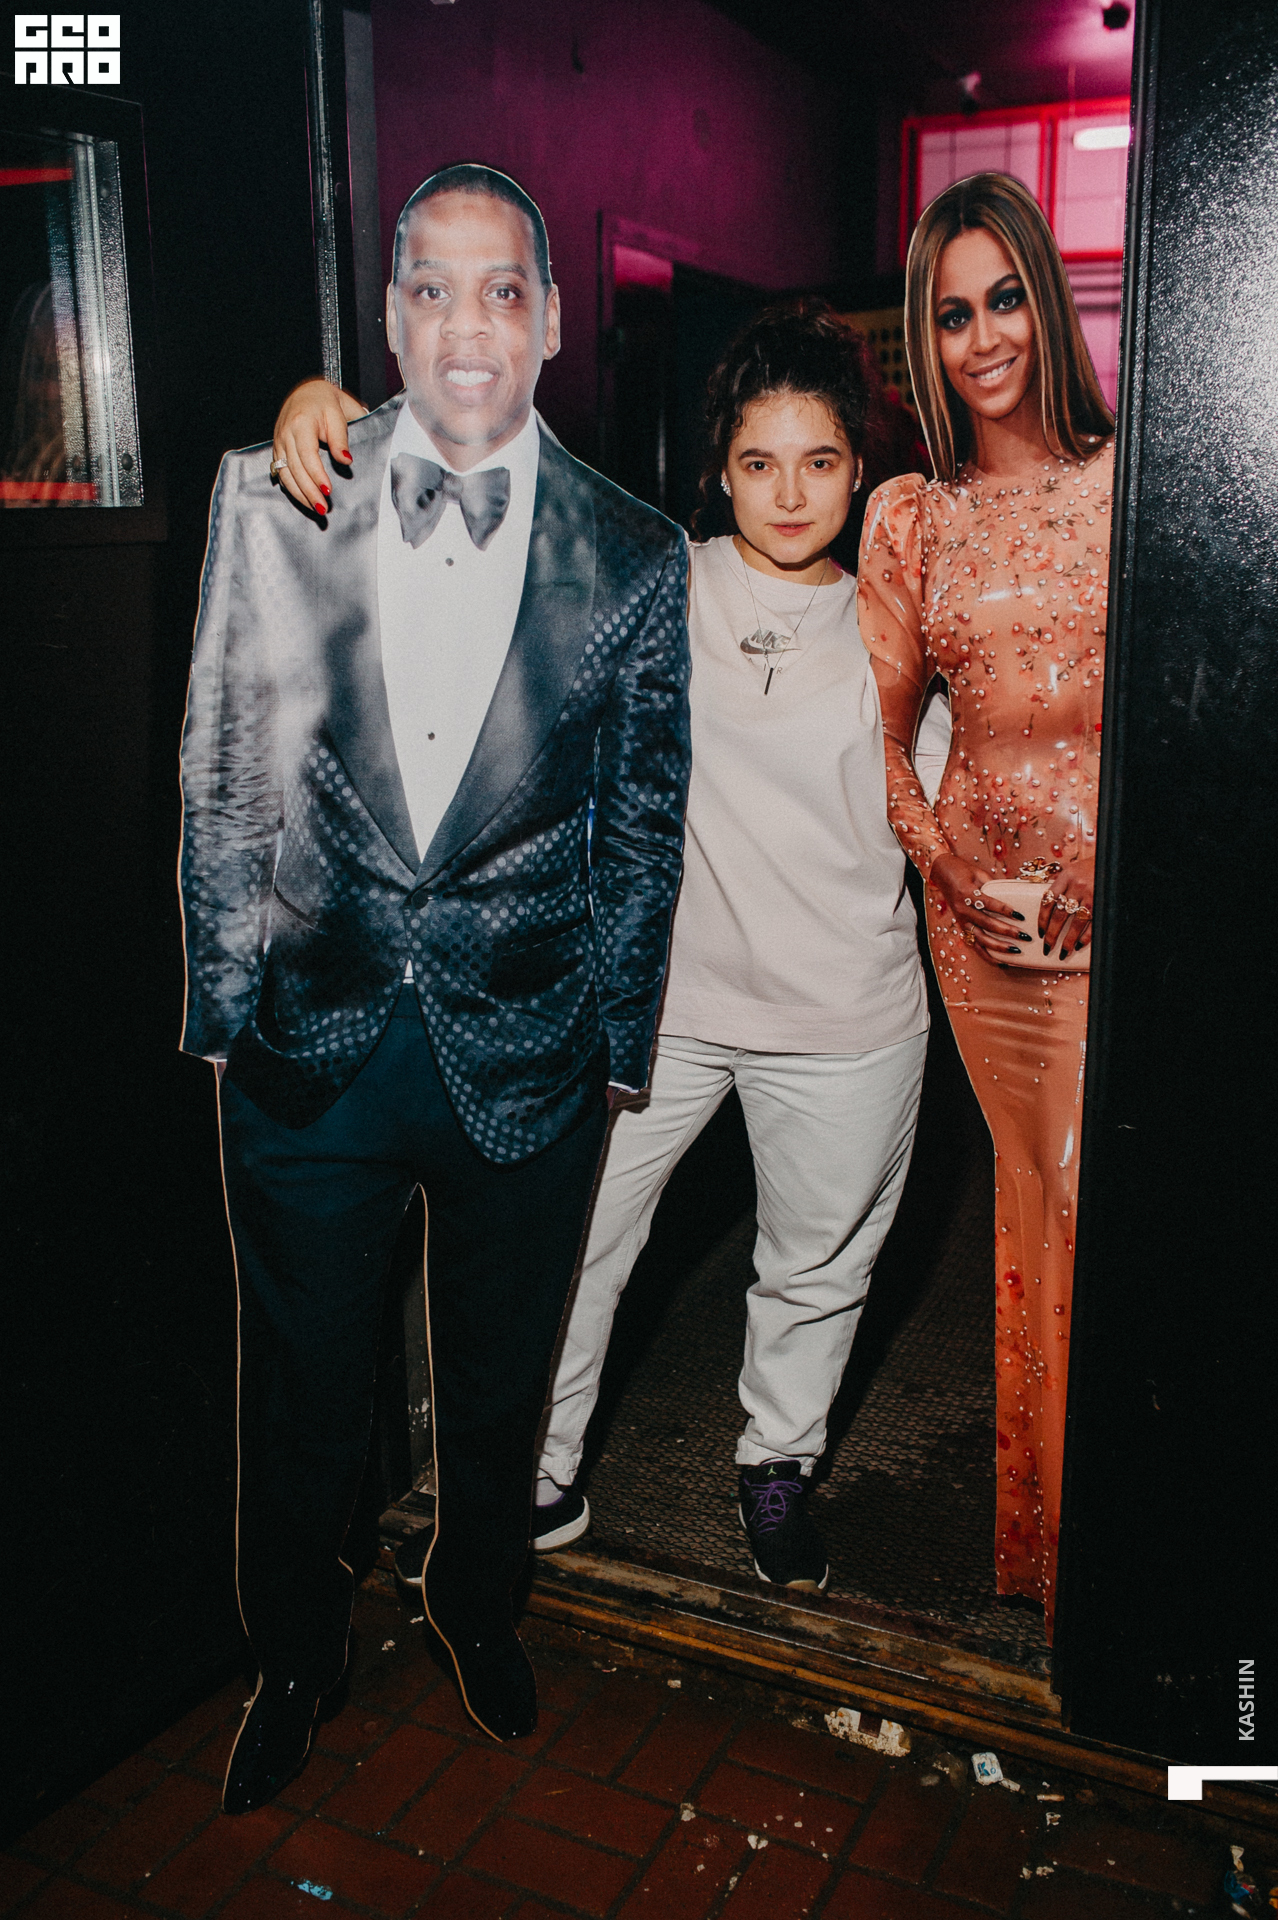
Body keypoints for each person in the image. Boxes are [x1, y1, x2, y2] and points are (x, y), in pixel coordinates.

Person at [278, 300, 938, 1595]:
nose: (788, 492)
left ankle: (777, 1466)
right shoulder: (660, 578)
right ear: (719, 471)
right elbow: (481, 522)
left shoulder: (898, 621)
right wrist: (337, 410)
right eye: (758, 461)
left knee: (814, 1266)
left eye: (817, 461)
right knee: (571, 1242)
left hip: (848, 1015)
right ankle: (536, 1472)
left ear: (856, 469)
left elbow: (963, 800)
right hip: (665, 1005)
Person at [179, 163, 691, 1814]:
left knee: (495, 1380)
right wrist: (220, 1013)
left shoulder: (638, 553)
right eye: (431, 288)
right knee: (301, 1395)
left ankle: (475, 1605)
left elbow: (643, 823)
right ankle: (294, 1653)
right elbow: (224, 770)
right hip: (306, 1050)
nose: (468, 324)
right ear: (390, 316)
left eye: (502, 289)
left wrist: (617, 1046)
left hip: (528, 1054)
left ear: (550, 320)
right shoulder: (277, 497)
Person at [857, 172, 1114, 1634]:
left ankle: (1112, 1558)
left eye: (1004, 298)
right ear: (926, 340)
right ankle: (1053, 1557)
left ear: (1046, 302)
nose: (983, 337)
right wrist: (952, 877)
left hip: (1119, 921)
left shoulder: (1134, 487)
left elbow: (1193, 720)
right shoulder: (909, 521)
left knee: (1103, 1201)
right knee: (1037, 1198)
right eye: (951, 316)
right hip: (987, 933)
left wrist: (1110, 879)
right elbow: (882, 746)